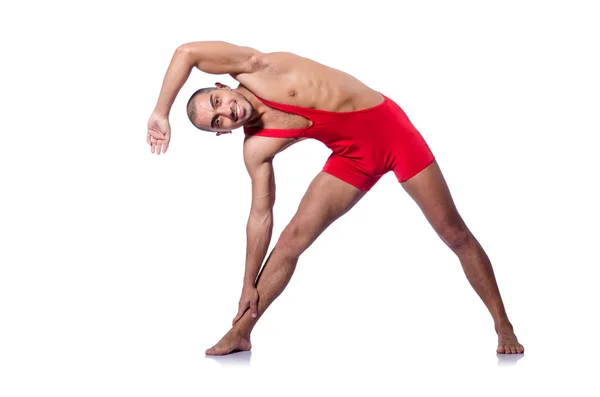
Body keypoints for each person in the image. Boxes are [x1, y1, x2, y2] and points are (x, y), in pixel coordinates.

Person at [146, 41, 524, 356]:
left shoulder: (257, 68)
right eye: (217, 122)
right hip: (351, 158)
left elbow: (187, 52)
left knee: (453, 233)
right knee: (292, 239)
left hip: (392, 132)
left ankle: (503, 325)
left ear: (221, 86)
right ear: (221, 134)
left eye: (217, 102)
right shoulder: (256, 148)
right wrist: (247, 281)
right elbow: (260, 216)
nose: (225, 113)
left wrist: (161, 113)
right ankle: (242, 331)